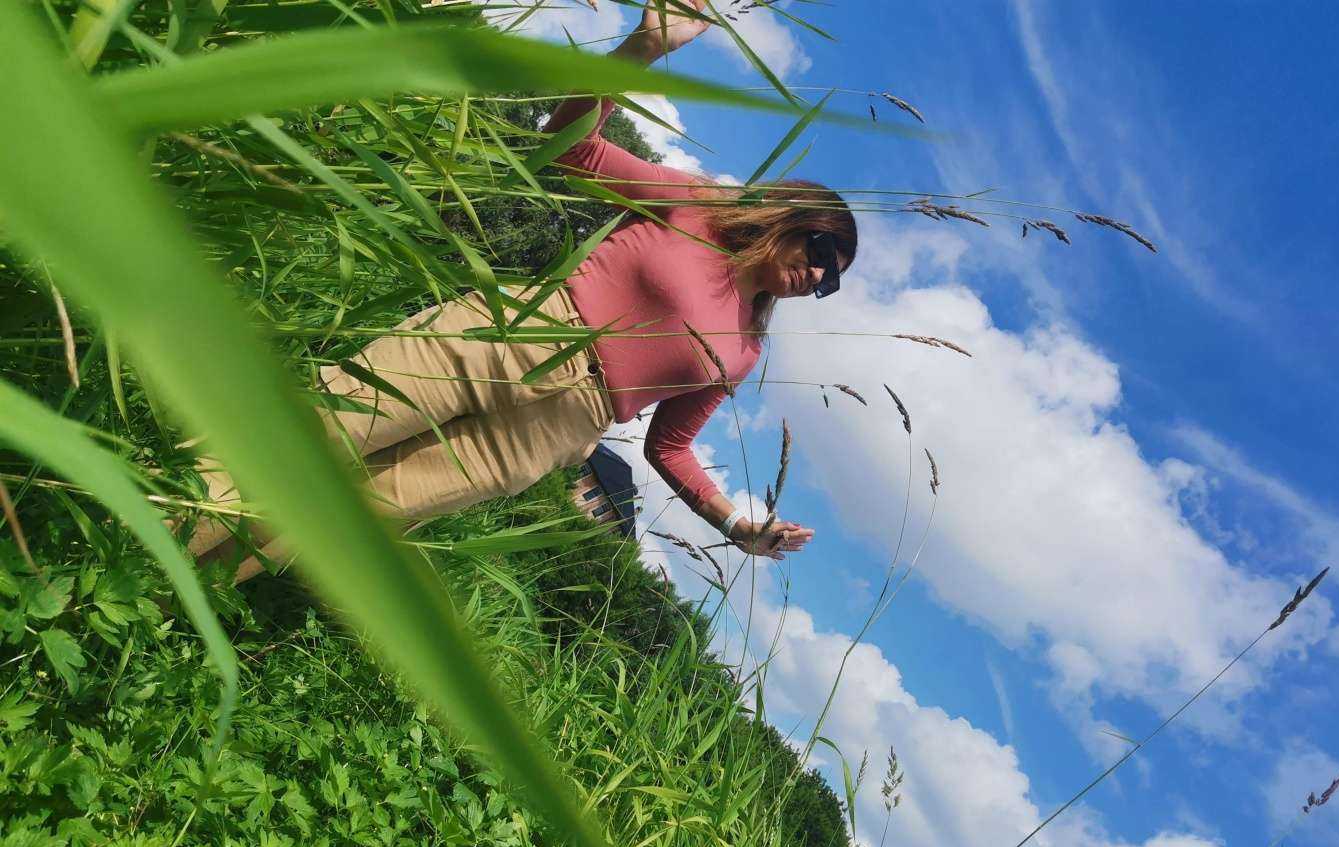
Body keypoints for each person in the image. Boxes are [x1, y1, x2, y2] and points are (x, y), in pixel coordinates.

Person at [188, 0, 856, 580]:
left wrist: (736, 526)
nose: (819, 275)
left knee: (344, 517)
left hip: (556, 430)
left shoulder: (742, 351)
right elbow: (574, 150)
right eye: (822, 249)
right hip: (512, 333)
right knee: (323, 427)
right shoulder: (701, 204)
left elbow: (669, 448)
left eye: (831, 281)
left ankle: (179, 588)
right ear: (789, 214)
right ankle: (144, 521)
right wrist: (641, 50)